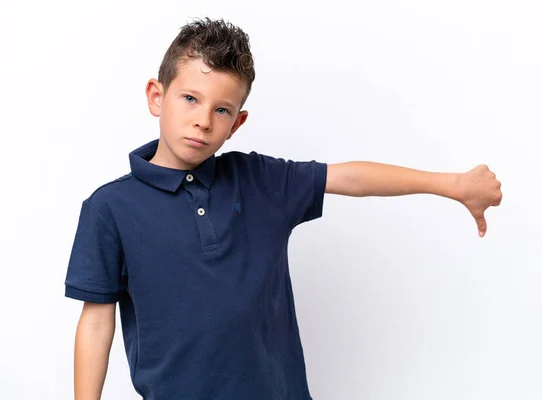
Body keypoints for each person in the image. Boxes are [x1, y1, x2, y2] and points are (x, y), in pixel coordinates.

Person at [64, 17, 502, 400]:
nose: (203, 121)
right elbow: (97, 322)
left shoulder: (259, 180)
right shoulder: (110, 208)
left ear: (237, 123)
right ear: (157, 96)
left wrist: (453, 185)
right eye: (190, 99)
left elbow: (349, 177)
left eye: (222, 109)